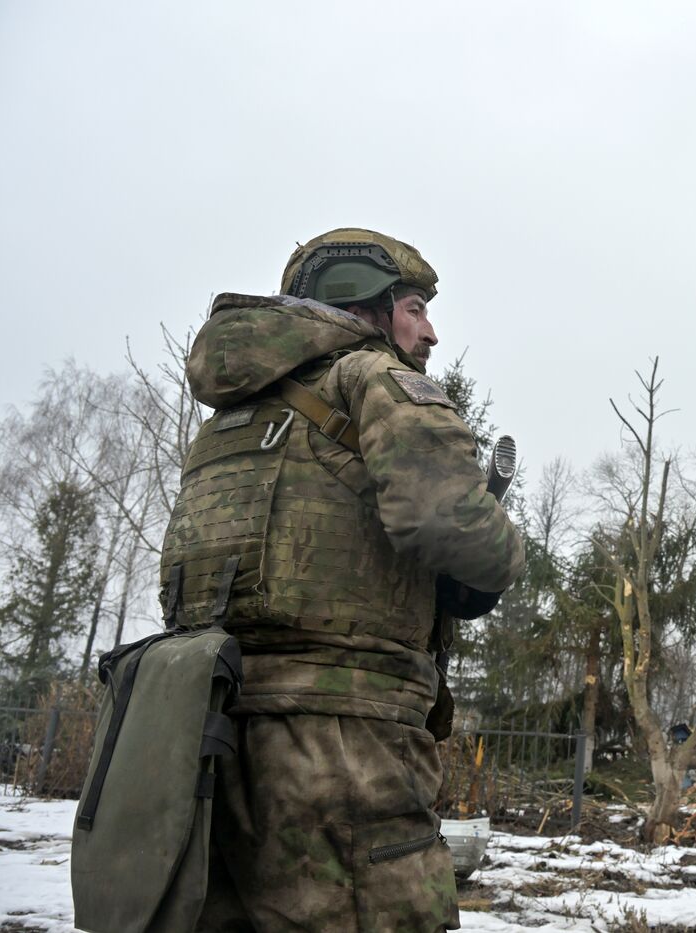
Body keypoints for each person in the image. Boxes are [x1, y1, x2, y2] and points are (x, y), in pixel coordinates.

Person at [160, 227, 525, 931]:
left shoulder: (231, 418)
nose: (430, 332)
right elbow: (452, 523)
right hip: (344, 750)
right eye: (414, 307)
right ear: (362, 302)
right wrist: (501, 548)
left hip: (206, 732)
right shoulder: (372, 378)